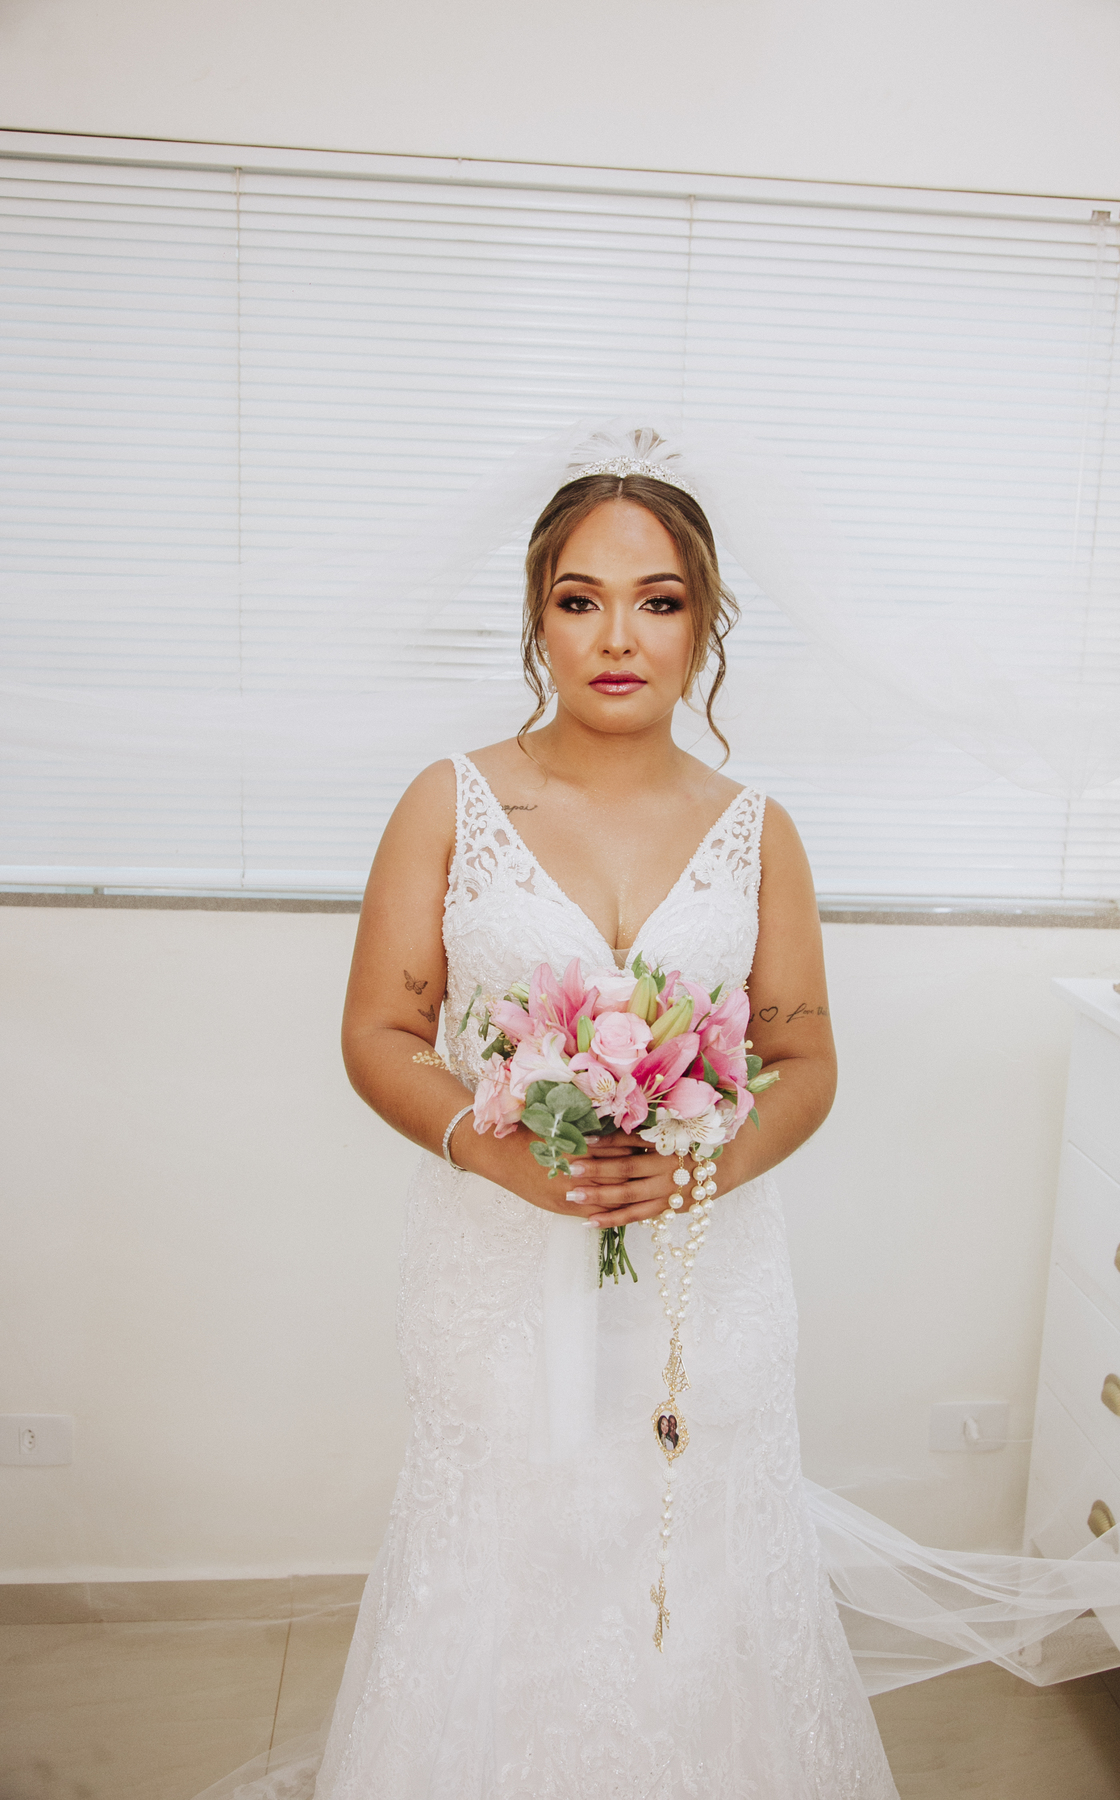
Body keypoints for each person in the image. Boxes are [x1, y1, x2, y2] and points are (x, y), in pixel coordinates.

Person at [318, 454, 901, 1798]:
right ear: (539, 618)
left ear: (704, 624)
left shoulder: (757, 831)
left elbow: (804, 1059)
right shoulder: (451, 801)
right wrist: (499, 1151)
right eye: (581, 600)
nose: (619, 636)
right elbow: (379, 1032)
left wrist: (709, 1169)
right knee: (505, 1548)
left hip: (707, 1273)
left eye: (660, 600)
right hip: (497, 1262)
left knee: (694, 1553)